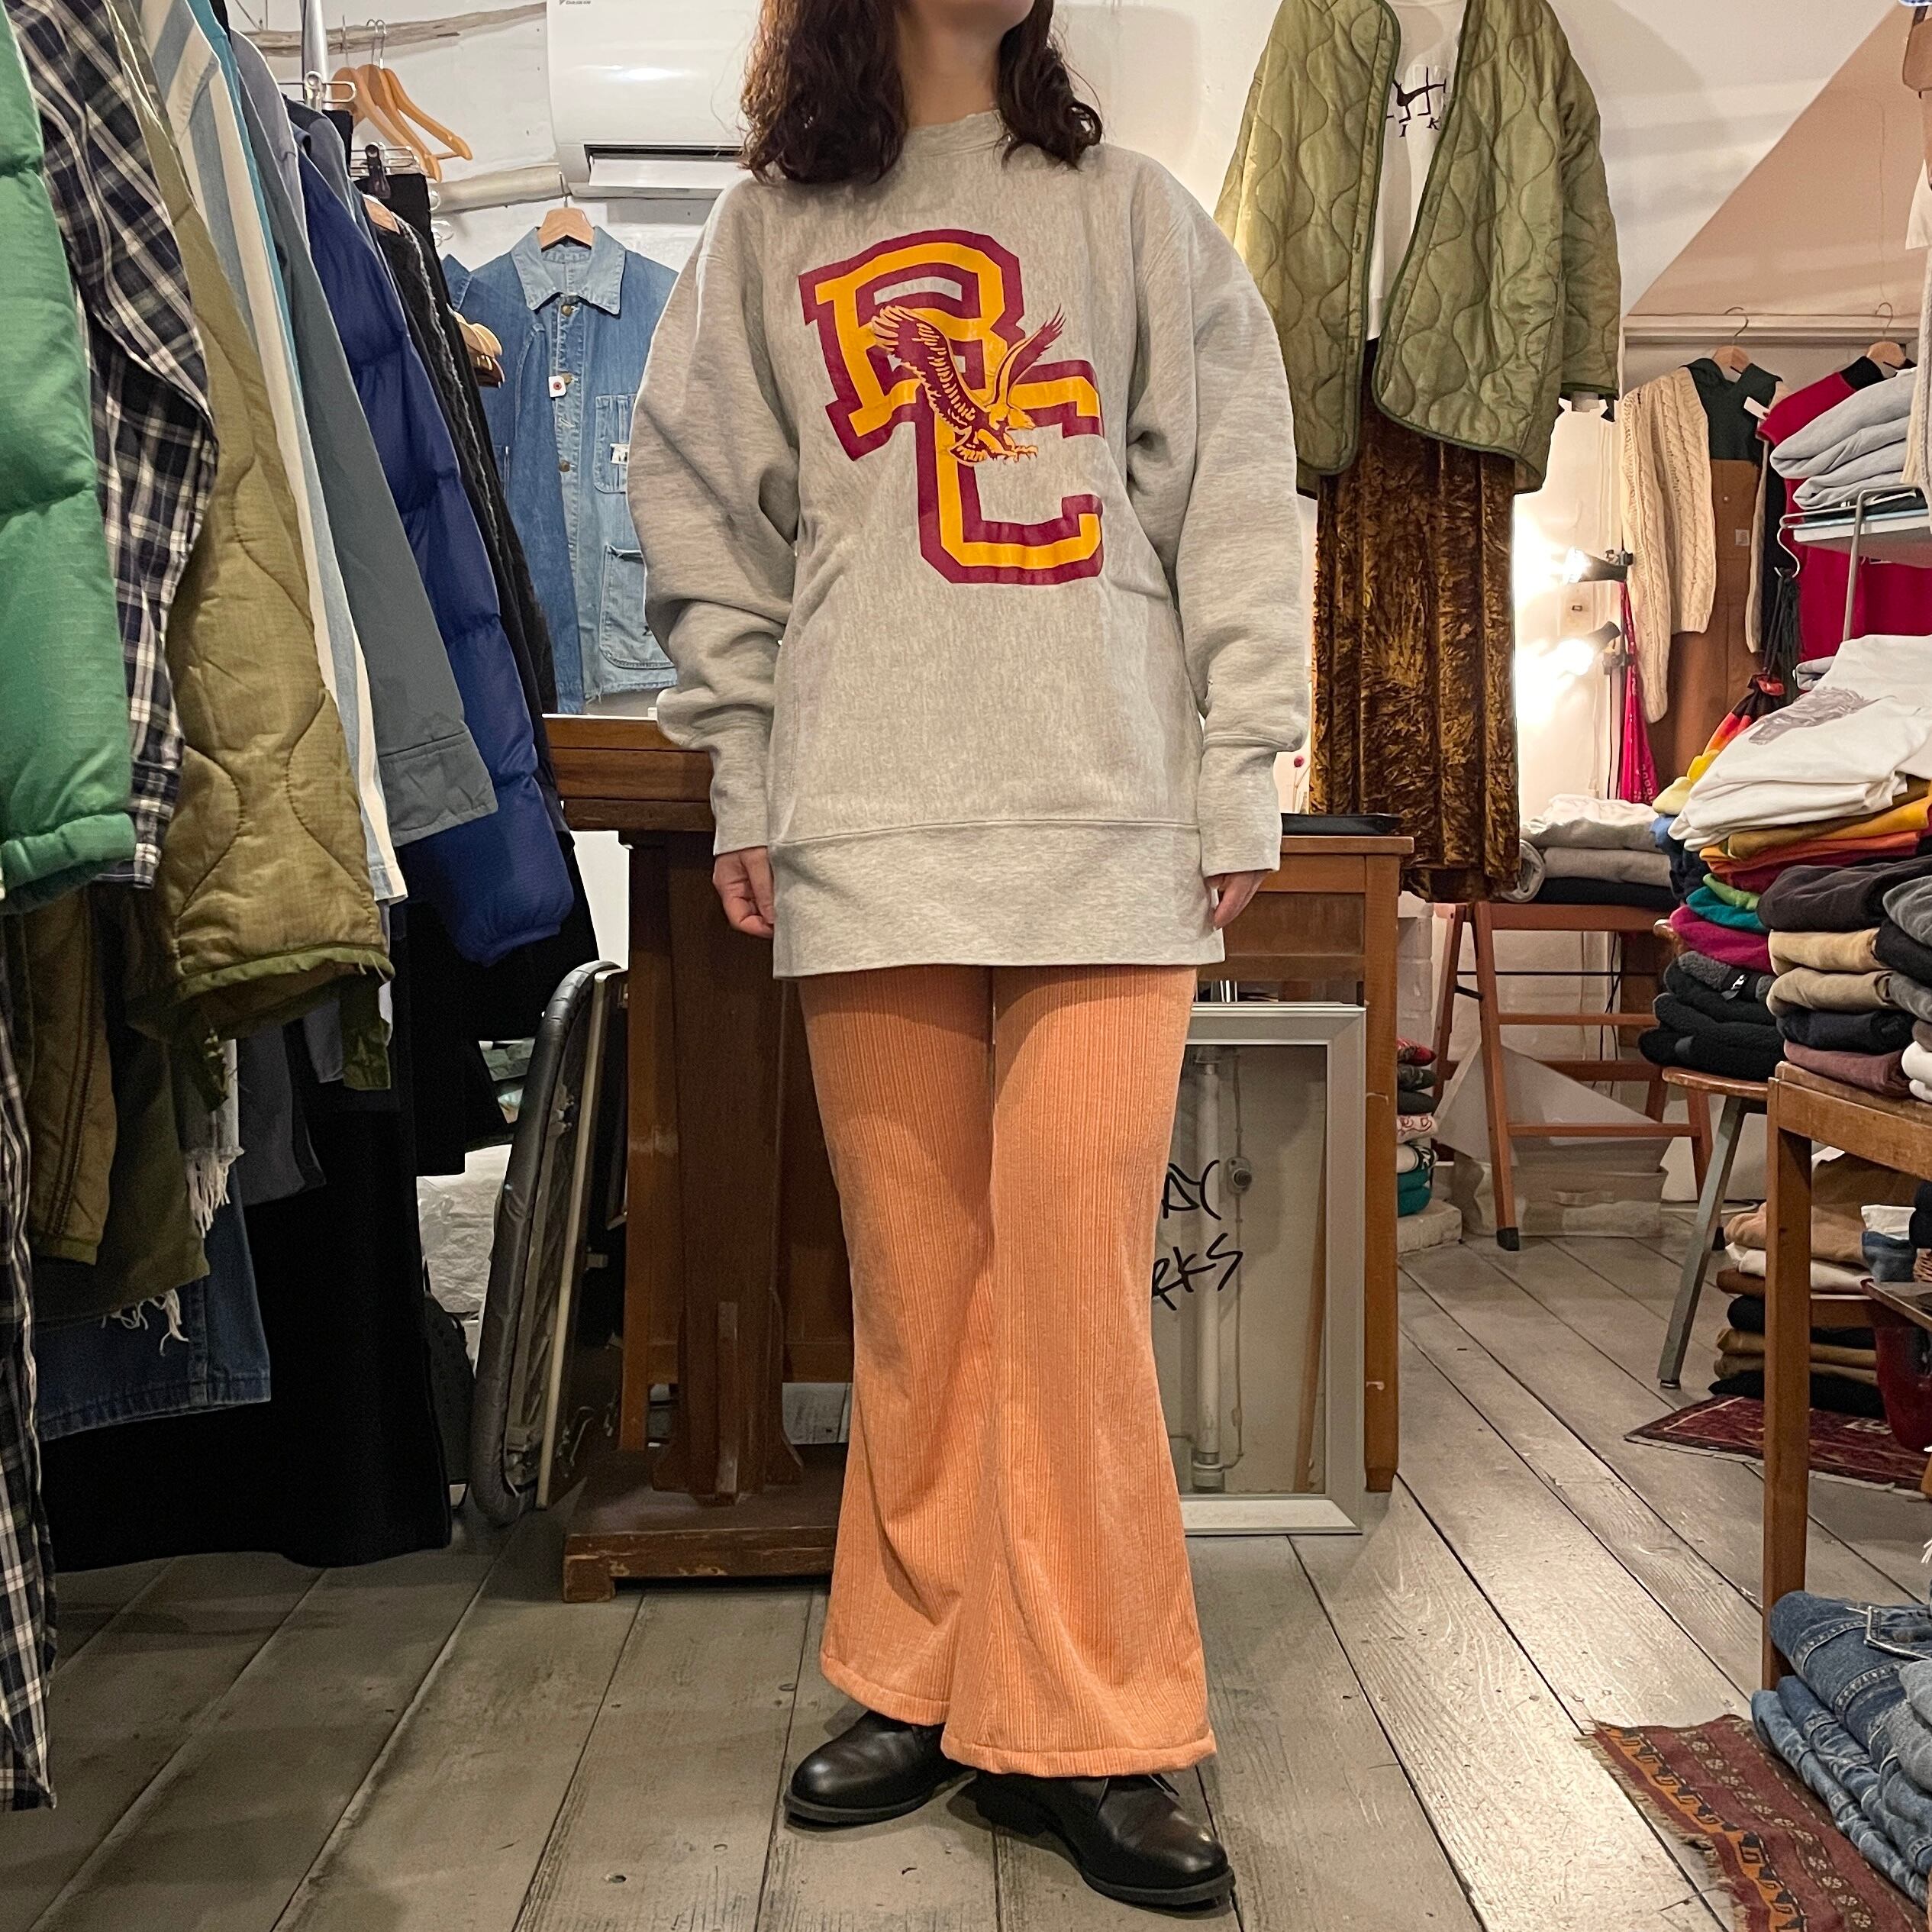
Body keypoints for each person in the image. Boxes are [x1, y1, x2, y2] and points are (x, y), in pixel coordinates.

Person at [630, 0, 1305, 1909]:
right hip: (871, 816)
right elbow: (707, 521)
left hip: (1107, 820)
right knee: (921, 1293)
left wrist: (1238, 774)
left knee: (1075, 1288)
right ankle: (920, 1674)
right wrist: (746, 773)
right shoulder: (767, 235)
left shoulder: (1135, 215)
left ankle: (1093, 1717)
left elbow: (1236, 499)